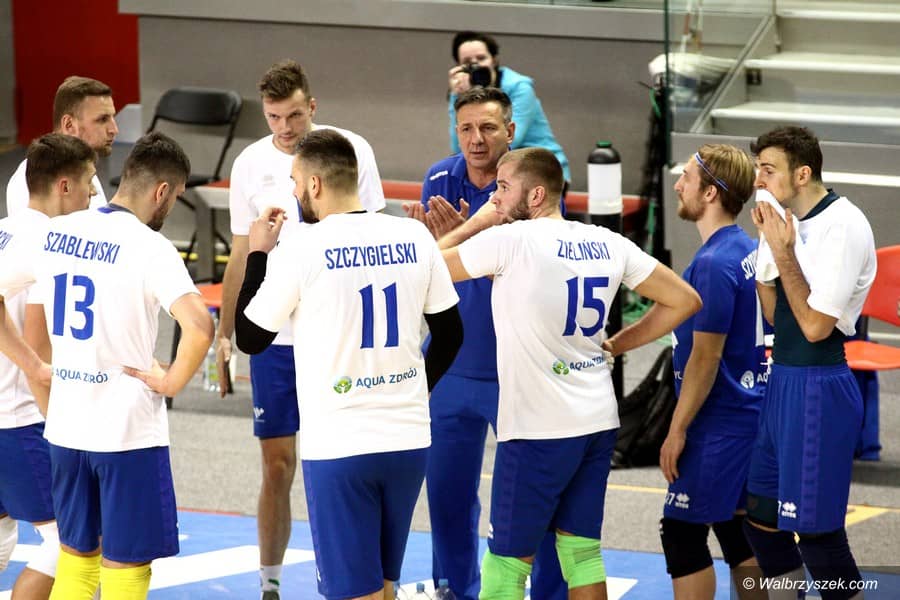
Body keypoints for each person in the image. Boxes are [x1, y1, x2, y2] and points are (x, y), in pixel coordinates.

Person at [438, 147, 701, 598]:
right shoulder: (606, 242)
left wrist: (476, 223)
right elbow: (684, 300)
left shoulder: (511, 240)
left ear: (536, 194)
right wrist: (617, 344)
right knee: (581, 554)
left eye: (503, 187)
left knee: (504, 568)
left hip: (537, 429)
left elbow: (422, 268)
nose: (494, 198)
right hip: (596, 421)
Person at [234, 128, 463, 600]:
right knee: (383, 586)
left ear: (315, 184)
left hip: (341, 447)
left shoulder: (303, 247)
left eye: (296, 181)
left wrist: (258, 253)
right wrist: (416, 389)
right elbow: (451, 333)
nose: (294, 191)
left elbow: (252, 338)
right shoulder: (413, 235)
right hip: (408, 440)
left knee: (355, 592)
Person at [1, 131, 213, 600]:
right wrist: (171, 381)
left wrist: (33, 365)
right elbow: (200, 325)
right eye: (175, 196)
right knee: (126, 568)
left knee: (77, 564)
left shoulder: (55, 233)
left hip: (66, 431)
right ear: (161, 191)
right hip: (126, 433)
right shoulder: (149, 246)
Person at [213, 59, 386, 600]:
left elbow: (373, 237)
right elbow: (241, 253)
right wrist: (226, 333)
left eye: (293, 115)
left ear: (312, 106)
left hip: (337, 336)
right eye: (273, 117)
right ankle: (270, 584)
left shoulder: (350, 150)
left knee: (349, 463)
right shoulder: (249, 163)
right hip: (275, 339)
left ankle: (372, 581)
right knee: (277, 465)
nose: (284, 128)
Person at [406, 86, 567, 600]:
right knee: (447, 497)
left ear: (510, 131)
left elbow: (538, 267)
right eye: (467, 128)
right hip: (451, 364)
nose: (477, 139)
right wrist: (433, 242)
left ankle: (548, 592)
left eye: (488, 128)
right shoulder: (439, 177)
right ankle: (455, 589)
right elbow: (425, 266)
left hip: (516, 369)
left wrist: (466, 238)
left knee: (535, 500)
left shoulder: (531, 183)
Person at [743, 126, 876, 597]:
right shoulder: (781, 221)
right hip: (782, 381)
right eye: (757, 168)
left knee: (818, 536)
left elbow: (817, 327)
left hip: (818, 386)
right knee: (761, 520)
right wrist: (768, 256)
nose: (758, 180)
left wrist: (783, 252)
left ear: (802, 174)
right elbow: (774, 315)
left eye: (768, 169)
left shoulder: (845, 225)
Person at [658, 144, 767, 599]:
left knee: (681, 533)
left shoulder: (713, 263)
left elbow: (706, 357)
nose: (677, 185)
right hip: (749, 414)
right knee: (738, 532)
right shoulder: (747, 249)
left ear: (710, 193)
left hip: (718, 422)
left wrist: (677, 430)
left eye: (686, 177)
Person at [0, 133, 97, 599]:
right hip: (18, 419)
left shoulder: (3, 228)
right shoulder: (52, 244)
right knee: (71, 543)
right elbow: (39, 344)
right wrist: (38, 373)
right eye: (89, 181)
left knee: (2, 537)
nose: (94, 192)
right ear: (63, 186)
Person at [446, 31, 570, 184]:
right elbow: (458, 147)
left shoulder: (520, 87)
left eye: (481, 58)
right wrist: (457, 95)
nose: (476, 65)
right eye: (467, 62)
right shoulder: (461, 92)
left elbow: (511, 141)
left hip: (542, 170)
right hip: (497, 172)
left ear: (494, 60)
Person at [6, 76, 118, 216]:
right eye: (102, 119)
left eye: (112, 118)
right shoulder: (31, 180)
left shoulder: (83, 169)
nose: (114, 130)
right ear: (69, 125)